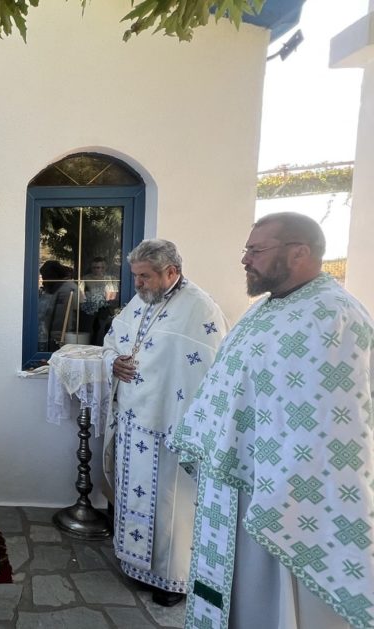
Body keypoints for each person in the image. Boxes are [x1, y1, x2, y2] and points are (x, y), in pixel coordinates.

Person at [172, 212, 373, 629]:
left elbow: (334, 419)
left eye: (256, 250)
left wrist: (282, 486)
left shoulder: (334, 316)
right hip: (233, 479)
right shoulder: (264, 309)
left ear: (299, 253)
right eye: (246, 249)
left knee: (272, 603)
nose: (245, 259)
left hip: (287, 495)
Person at [102, 239, 227, 607]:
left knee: (171, 505)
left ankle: (173, 580)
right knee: (135, 495)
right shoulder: (141, 301)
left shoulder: (200, 308)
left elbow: (212, 369)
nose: (138, 284)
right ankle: (134, 563)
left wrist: (189, 425)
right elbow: (112, 340)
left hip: (171, 426)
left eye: (145, 276)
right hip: (133, 421)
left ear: (171, 271)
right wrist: (113, 362)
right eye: (135, 276)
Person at [38, 260, 80, 351]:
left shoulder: (66, 289)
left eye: (45, 277)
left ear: (51, 276)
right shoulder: (58, 287)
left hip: (59, 335)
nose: (43, 281)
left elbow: (63, 314)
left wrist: (57, 333)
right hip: (53, 333)